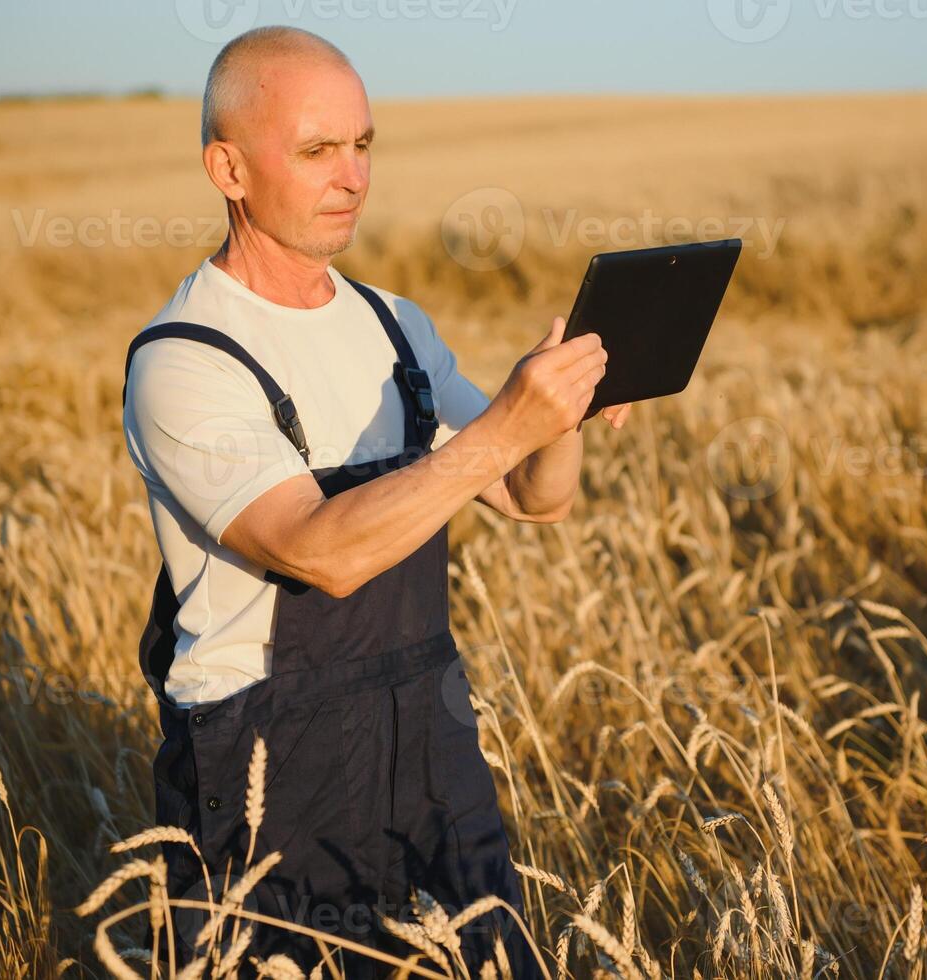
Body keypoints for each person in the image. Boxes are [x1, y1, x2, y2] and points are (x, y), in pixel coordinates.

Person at [120, 24, 630, 978]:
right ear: (227, 167)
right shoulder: (185, 359)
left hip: (429, 730)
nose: (352, 176)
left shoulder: (394, 325)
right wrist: (501, 428)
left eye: (363, 146)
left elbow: (531, 499)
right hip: (268, 762)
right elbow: (321, 552)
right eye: (317, 150)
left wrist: (557, 419)